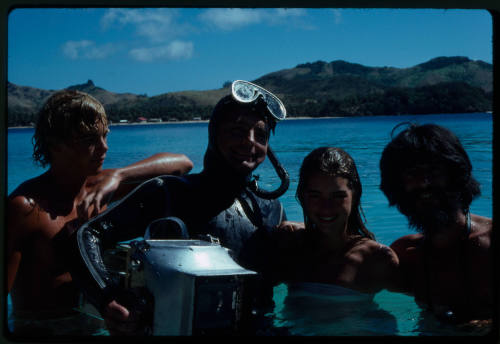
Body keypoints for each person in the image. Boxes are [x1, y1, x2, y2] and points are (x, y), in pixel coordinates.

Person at [66, 81, 288, 335]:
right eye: (237, 131)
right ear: (214, 134)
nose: (250, 142)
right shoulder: (170, 193)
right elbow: (86, 236)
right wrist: (107, 298)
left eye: (261, 135)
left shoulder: (272, 210)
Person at [7, 90, 193, 336]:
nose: (104, 148)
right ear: (55, 144)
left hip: (98, 324)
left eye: (105, 136)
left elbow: (182, 164)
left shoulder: (99, 187)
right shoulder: (25, 208)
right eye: (89, 140)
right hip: (42, 329)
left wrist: (120, 175)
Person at [379, 123, 493, 327]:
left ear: (456, 174)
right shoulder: (405, 255)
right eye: (412, 174)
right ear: (398, 186)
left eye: (433, 171)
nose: (424, 183)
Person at [275, 147, 399, 294]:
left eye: (338, 196)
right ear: (302, 197)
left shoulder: (377, 259)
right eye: (315, 195)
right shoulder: (291, 247)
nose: (326, 208)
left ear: (355, 196)